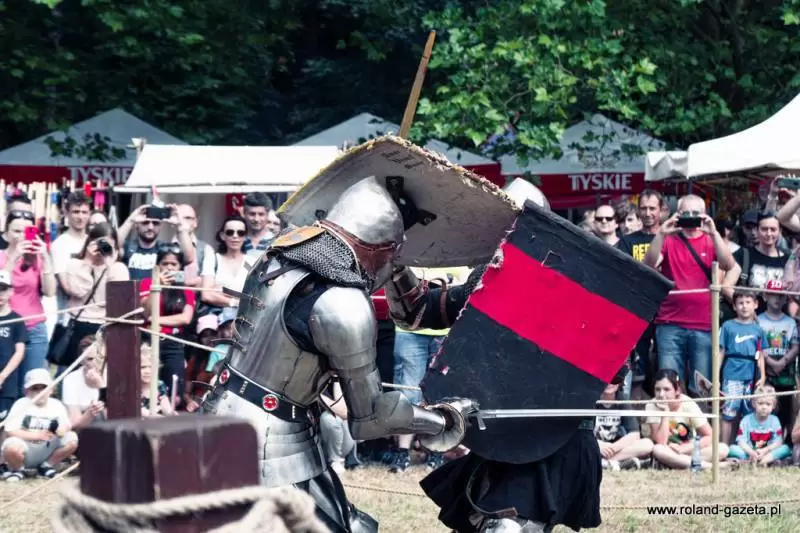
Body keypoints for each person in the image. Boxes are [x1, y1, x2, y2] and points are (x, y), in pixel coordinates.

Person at [202, 176, 469, 533]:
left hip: (228, 408)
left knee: (353, 525)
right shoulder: (343, 304)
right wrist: (443, 422)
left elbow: (408, 308)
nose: (393, 263)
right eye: (391, 255)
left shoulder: (279, 254)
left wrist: (395, 264)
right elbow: (369, 419)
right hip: (269, 444)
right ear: (376, 249)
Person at [385, 179, 603, 533]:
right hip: (508, 436)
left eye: (514, 224)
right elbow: (419, 312)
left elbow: (613, 367)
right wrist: (393, 259)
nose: (506, 233)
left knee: (506, 528)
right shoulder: (489, 277)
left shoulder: (577, 281)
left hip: (557, 436)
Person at [644, 194, 738, 396]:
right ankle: (672, 418)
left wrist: (714, 233)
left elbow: (728, 264)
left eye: (695, 213)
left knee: (701, 386)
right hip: (670, 322)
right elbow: (649, 265)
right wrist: (661, 233)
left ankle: (701, 418)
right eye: (685, 213)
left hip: (703, 324)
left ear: (704, 215)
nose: (690, 217)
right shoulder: (668, 239)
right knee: (669, 385)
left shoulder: (710, 240)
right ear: (677, 214)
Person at [58, 223, 129, 371]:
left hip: (104, 327)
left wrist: (110, 264)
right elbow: (78, 291)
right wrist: (88, 262)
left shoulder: (118, 268)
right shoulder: (75, 264)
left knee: (100, 373)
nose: (102, 248)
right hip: (78, 325)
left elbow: (120, 299)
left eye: (107, 244)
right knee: (71, 374)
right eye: (99, 243)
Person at [0, 209, 57, 380]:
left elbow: (50, 292)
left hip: (34, 328)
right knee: (7, 384)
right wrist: (14, 258)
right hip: (6, 327)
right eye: (16, 231)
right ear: (6, 234)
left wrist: (45, 257)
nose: (21, 236)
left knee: (33, 382)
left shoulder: (36, 258)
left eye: (26, 232)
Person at [140, 245, 196, 404]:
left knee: (175, 395)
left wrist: (154, 319)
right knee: (145, 390)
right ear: (158, 266)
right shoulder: (147, 283)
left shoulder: (186, 290)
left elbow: (185, 318)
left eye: (174, 264)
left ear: (180, 267)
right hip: (148, 342)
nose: (169, 268)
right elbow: (146, 312)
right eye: (165, 263)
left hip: (173, 342)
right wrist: (156, 286)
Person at [0, 369, 78, 481]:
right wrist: (37, 436)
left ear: (51, 390)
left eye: (44, 387)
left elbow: (67, 425)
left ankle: (46, 466)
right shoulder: (21, 404)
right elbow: (10, 430)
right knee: (11, 447)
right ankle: (18, 470)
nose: (40, 392)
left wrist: (62, 429)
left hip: (47, 447)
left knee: (71, 438)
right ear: (27, 391)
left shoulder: (56, 405)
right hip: (26, 447)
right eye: (35, 388)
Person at [647, 369, 730, 470]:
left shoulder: (688, 403)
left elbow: (710, 436)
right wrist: (665, 413)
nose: (661, 394)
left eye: (666, 389)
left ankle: (676, 463)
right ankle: (709, 466)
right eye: (657, 389)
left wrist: (684, 448)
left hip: (689, 450)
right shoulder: (652, 405)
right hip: (667, 450)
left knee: (723, 449)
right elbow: (661, 442)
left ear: (677, 390)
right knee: (657, 449)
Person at [719, 290, 766, 444]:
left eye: (748, 302)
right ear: (734, 306)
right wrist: (716, 375)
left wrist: (763, 376)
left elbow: (761, 354)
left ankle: (743, 447)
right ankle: (724, 448)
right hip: (732, 374)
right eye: (740, 303)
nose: (744, 306)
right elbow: (721, 351)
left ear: (756, 305)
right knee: (728, 412)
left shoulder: (758, 329)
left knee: (749, 413)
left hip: (751, 374)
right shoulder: (728, 326)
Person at [757, 281, 799, 434]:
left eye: (781, 295)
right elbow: (758, 345)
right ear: (765, 296)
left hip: (786, 374)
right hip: (766, 373)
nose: (777, 298)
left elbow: (796, 346)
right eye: (773, 294)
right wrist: (770, 362)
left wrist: (783, 362)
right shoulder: (758, 320)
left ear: (786, 298)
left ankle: (785, 440)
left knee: (786, 410)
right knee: (765, 406)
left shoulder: (790, 322)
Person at [729, 212, 788, 314]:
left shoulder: (788, 259)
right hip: (750, 320)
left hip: (781, 320)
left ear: (779, 231)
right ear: (757, 230)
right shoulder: (743, 254)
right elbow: (727, 286)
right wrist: (745, 308)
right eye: (764, 229)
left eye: (773, 229)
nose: (769, 234)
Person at [117, 203, 195, 280]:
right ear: (136, 225)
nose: (150, 227)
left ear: (161, 226)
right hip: (131, 288)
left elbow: (189, 258)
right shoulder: (128, 248)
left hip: (156, 288)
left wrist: (180, 226)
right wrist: (130, 220)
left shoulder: (164, 249)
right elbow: (114, 245)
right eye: (145, 223)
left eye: (155, 223)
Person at [595, 371, 653, 471]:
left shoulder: (622, 399)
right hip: (595, 446)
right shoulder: (591, 399)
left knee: (647, 444)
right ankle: (617, 462)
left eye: (615, 379)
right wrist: (600, 446)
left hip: (616, 448)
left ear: (620, 382)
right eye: (606, 379)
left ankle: (605, 462)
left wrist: (613, 448)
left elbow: (635, 434)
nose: (610, 383)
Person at [52, 192, 91, 322]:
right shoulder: (60, 244)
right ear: (67, 213)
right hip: (69, 317)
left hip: (95, 314)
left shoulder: (93, 241)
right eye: (76, 212)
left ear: (89, 214)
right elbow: (66, 287)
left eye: (84, 212)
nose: (80, 217)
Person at [728, 385, 791, 466]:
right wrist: (751, 452)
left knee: (786, 448)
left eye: (768, 404)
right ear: (754, 403)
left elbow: (778, 441)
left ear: (774, 405)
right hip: (749, 452)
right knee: (732, 448)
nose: (764, 407)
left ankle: (759, 461)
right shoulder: (746, 420)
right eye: (760, 403)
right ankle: (764, 461)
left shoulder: (775, 420)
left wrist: (765, 450)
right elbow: (741, 441)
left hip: (768, 452)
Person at [199, 215, 249, 315]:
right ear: (222, 236)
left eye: (240, 233)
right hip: (216, 315)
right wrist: (234, 302)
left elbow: (255, 294)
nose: (235, 236)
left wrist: (221, 294)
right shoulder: (213, 259)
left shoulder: (250, 262)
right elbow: (206, 295)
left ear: (245, 237)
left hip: (244, 316)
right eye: (230, 232)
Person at [62, 335, 105, 429]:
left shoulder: (113, 373)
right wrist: (90, 414)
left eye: (99, 357)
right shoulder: (71, 379)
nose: (95, 363)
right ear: (81, 361)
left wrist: (100, 386)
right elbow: (74, 423)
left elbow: (116, 415)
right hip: (86, 427)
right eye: (90, 359)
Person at [0, 271, 27, 420]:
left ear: (11, 291)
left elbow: (19, 352)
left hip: (7, 383)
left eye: (3, 289)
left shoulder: (17, 320)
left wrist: (2, 376)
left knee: (4, 422)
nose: (0, 294)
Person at [241, 192, 276, 260]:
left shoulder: (275, 242)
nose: (256, 219)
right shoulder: (235, 240)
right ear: (244, 213)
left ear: (267, 215)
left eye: (261, 214)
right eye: (252, 214)